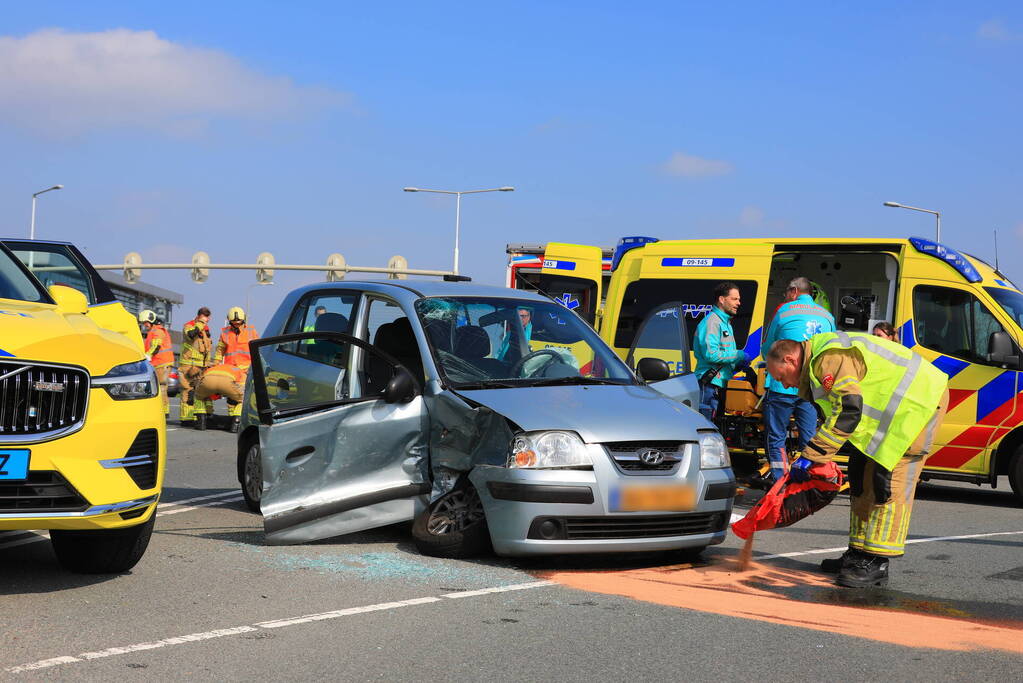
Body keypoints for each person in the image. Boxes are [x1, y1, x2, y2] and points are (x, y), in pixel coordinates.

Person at [765, 332, 949, 588]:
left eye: (781, 376)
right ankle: (858, 554)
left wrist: (812, 456)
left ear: (790, 359)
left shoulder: (828, 358)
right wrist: (815, 455)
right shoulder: (820, 361)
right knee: (861, 476)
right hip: (896, 414)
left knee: (887, 484)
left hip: (917, 408)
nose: (784, 385)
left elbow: (848, 409)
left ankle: (876, 562)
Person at [758, 277, 836, 485]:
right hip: (812, 387)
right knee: (809, 436)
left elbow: (769, 349)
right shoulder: (827, 316)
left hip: (782, 384)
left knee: (776, 437)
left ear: (793, 291)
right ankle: (807, 482)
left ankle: (780, 484)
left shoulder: (784, 311)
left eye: (786, 293)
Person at [693, 282, 748, 421]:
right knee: (706, 428)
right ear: (722, 299)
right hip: (710, 385)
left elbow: (724, 355)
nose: (739, 303)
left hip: (719, 384)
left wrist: (737, 364)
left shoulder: (725, 323)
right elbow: (711, 355)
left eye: (739, 299)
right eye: (734, 299)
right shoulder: (712, 322)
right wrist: (738, 355)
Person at [178, 307, 213, 425]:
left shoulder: (205, 330)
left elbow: (206, 349)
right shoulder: (190, 325)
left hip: (201, 366)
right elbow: (190, 335)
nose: (206, 321)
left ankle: (201, 416)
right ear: (198, 316)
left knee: (201, 392)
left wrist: (208, 364)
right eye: (204, 318)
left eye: (207, 319)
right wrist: (200, 324)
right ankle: (186, 418)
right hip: (188, 364)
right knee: (188, 391)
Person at [192, 362, 246, 432]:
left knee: (199, 397)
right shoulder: (240, 371)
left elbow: (201, 379)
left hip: (208, 380)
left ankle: (201, 422)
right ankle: (236, 424)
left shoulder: (215, 367)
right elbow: (242, 387)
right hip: (227, 382)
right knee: (243, 400)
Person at [139, 309, 174, 416]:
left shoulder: (158, 330)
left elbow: (156, 345)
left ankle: (163, 412)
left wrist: (148, 355)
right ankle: (163, 411)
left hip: (161, 363)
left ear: (151, 320)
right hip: (159, 363)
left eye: (145, 323)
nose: (145, 325)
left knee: (161, 387)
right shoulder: (154, 331)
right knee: (159, 387)